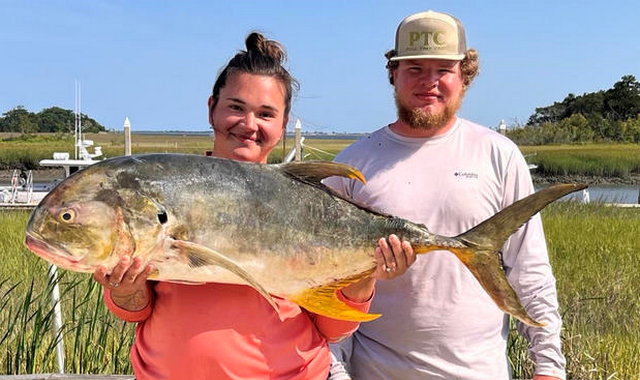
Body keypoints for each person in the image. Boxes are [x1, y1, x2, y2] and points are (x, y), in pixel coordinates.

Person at [92, 32, 414, 380]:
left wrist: (364, 273)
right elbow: (136, 312)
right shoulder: (170, 190)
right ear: (211, 107)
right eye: (235, 107)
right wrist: (126, 289)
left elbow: (334, 329)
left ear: (282, 125)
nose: (248, 125)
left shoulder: (306, 203)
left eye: (265, 113)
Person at [325, 10, 566, 380]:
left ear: (465, 77)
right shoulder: (351, 165)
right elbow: (328, 288)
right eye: (415, 68)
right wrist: (336, 373)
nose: (429, 82)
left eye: (443, 70)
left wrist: (549, 369)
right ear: (393, 74)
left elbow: (531, 274)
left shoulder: (498, 155)